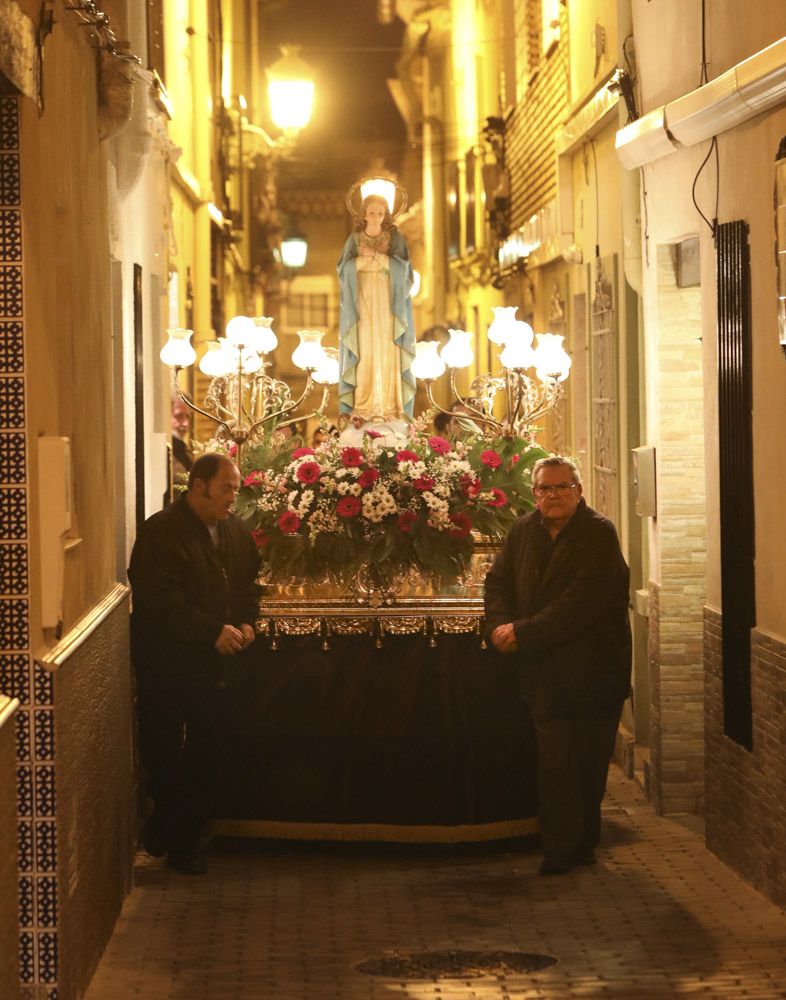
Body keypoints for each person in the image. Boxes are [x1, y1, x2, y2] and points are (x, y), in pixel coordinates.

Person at [484, 456, 631, 876]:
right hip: (544, 673)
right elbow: (499, 582)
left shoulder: (597, 534)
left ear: (578, 491)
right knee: (554, 764)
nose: (554, 496)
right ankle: (561, 849)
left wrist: (522, 633)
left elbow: (580, 605)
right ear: (535, 494)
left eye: (562, 487)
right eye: (546, 489)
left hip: (592, 671)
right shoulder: (523, 531)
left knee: (587, 762)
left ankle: (582, 842)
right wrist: (498, 624)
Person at [128, 453, 260, 874]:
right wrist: (210, 632)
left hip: (218, 671)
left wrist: (245, 621)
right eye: (226, 488)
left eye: (236, 489)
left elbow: (248, 585)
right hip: (168, 664)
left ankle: (179, 837)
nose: (233, 497)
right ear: (198, 486)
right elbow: (158, 600)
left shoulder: (236, 532)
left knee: (208, 752)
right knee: (163, 753)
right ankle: (174, 831)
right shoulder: (161, 532)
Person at [337, 192, 416, 426]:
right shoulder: (354, 239)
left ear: (386, 215)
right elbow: (343, 269)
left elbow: (405, 270)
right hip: (361, 303)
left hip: (388, 304)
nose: (375, 217)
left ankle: (390, 404)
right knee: (365, 349)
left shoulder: (395, 238)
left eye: (380, 213)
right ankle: (363, 405)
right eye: (371, 213)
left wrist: (379, 260)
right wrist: (365, 261)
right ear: (364, 214)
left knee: (387, 347)